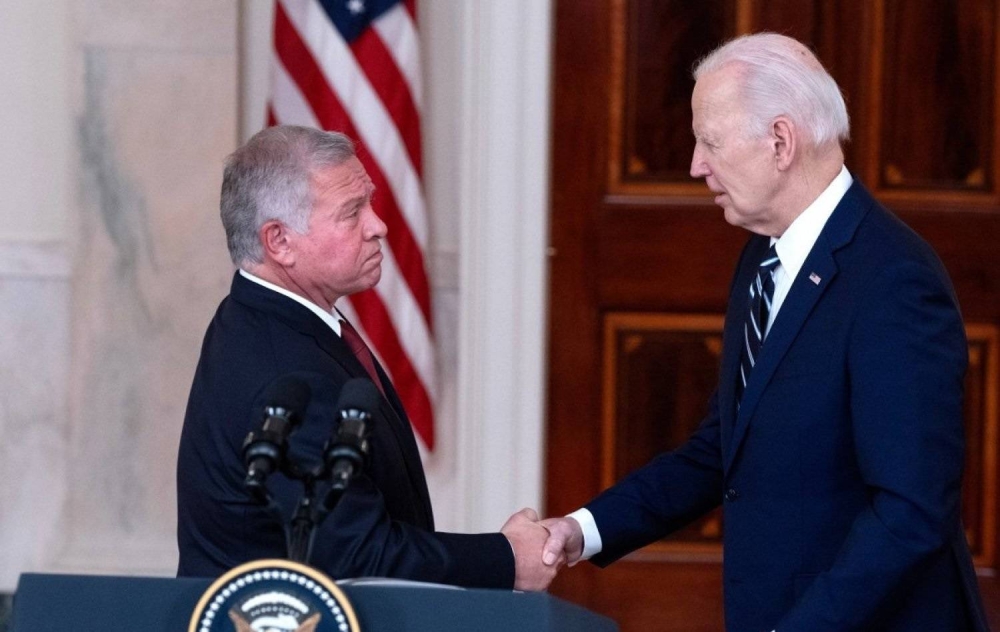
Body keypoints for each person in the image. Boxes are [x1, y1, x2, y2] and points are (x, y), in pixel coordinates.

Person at [541, 33, 989, 631]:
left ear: (780, 141)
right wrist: (582, 530)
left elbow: (910, 514)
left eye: (709, 141)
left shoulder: (894, 282)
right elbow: (723, 448)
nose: (696, 165)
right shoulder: (763, 256)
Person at [176, 125, 557, 590]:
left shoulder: (260, 317)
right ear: (279, 241)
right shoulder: (288, 372)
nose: (378, 225)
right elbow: (358, 555)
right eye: (352, 211)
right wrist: (508, 558)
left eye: (369, 203)